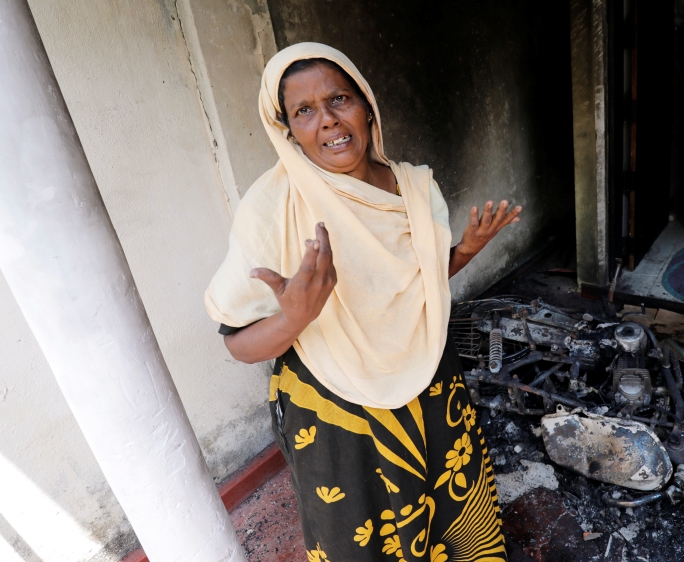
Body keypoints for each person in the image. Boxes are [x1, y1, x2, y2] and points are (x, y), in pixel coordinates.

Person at [205, 43, 520, 562]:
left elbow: (421, 283)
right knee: (364, 533)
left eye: (339, 99)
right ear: (286, 128)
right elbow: (238, 345)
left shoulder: (414, 187)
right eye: (304, 111)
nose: (327, 121)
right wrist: (294, 317)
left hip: (428, 377)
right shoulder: (272, 209)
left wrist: (463, 251)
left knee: (452, 509)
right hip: (339, 408)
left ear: (367, 107)